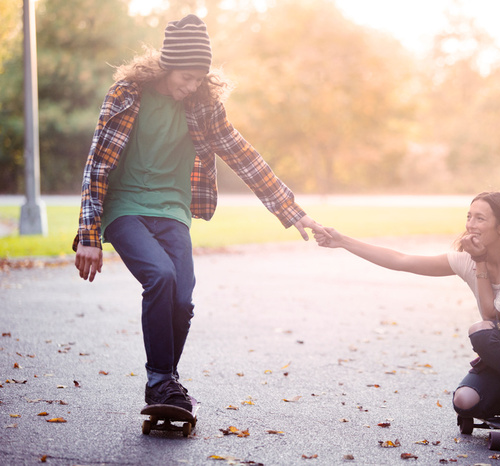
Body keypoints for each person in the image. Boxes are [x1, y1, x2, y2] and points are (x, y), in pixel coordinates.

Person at [73, 14, 327, 412]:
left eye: (198, 79)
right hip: (125, 209)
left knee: (183, 300)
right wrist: (89, 237)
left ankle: (165, 384)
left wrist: (293, 212)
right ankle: (160, 381)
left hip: (173, 210)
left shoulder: (204, 108)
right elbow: (97, 166)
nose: (190, 86)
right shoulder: (126, 94)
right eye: (185, 76)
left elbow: (244, 156)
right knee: (160, 276)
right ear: (167, 65)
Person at [314, 191, 500, 425]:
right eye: (469, 216)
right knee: (465, 401)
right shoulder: (466, 260)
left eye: (480, 218)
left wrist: (479, 263)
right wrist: (343, 241)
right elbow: (402, 259)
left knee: (481, 331)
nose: (470, 225)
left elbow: (492, 316)